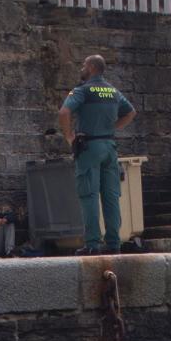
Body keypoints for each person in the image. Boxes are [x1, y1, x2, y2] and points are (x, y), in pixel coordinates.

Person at [57, 54, 134, 252]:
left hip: (89, 147)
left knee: (89, 195)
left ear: (91, 67)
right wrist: (112, 127)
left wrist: (69, 136)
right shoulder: (113, 91)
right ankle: (114, 244)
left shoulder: (83, 91)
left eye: (83, 65)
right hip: (110, 147)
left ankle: (92, 244)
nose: (81, 68)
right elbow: (131, 112)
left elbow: (64, 113)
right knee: (110, 196)